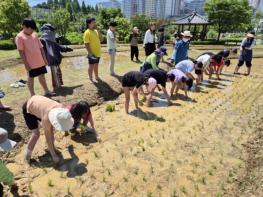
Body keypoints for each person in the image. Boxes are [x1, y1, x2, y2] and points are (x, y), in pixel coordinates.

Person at [22, 95, 74, 164]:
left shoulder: (62, 109)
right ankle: (27, 156)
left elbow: (64, 121)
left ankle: (51, 148)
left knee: (51, 128)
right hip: (29, 108)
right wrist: (54, 155)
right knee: (36, 134)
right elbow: (48, 137)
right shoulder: (46, 118)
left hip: (40, 106)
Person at [15, 18, 55, 97]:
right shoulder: (19, 37)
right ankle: (32, 94)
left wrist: (45, 59)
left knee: (42, 76)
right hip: (30, 63)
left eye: (33, 29)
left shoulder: (34, 34)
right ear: (24, 27)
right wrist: (26, 64)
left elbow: (41, 48)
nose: (32, 31)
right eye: (30, 29)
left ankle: (46, 91)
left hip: (40, 61)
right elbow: (21, 52)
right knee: (31, 78)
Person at [40, 24, 73, 91]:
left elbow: (58, 47)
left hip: (53, 58)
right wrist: (66, 48)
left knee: (56, 71)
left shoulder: (45, 39)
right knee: (55, 72)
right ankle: (56, 86)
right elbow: (58, 47)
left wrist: (67, 48)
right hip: (52, 58)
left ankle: (58, 85)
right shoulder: (43, 40)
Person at [84, 17, 102, 82]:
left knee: (96, 65)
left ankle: (96, 77)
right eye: (93, 22)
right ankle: (90, 78)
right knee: (91, 66)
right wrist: (90, 53)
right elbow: (86, 44)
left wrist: (99, 31)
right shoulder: (87, 32)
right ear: (89, 23)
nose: (95, 23)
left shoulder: (96, 31)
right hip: (92, 53)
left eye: (95, 22)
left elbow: (101, 39)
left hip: (98, 52)